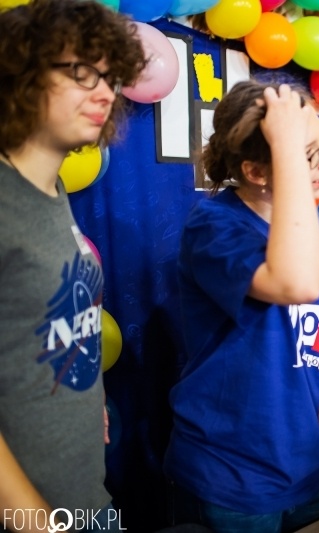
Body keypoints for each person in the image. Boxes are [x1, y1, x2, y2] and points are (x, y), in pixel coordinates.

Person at [163, 81, 319, 533]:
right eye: (309, 155)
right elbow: (295, 284)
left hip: (304, 470)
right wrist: (286, 148)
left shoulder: (298, 227)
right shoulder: (216, 226)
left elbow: (310, 351)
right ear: (256, 172)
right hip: (233, 476)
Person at [0, 0, 145, 530]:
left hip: (83, 495)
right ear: (20, 72)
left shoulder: (52, 189)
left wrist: (84, 397)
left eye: (110, 78)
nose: (104, 93)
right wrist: (38, 522)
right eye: (82, 72)